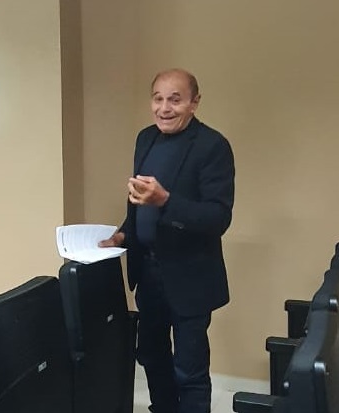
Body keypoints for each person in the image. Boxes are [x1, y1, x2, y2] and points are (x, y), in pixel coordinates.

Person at [100, 68, 235, 413]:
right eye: (158, 99)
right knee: (152, 355)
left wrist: (166, 201)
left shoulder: (212, 146)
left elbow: (218, 217)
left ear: (194, 103)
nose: (164, 108)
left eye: (175, 100)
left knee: (189, 369)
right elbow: (140, 203)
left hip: (190, 277)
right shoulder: (145, 138)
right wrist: (123, 234)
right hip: (148, 273)